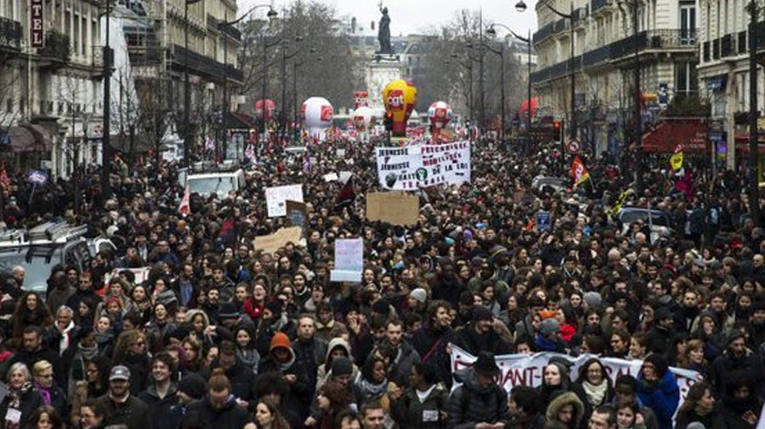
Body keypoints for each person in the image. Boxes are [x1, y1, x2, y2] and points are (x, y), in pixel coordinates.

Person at [447, 351, 508, 429]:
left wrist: (502, 423)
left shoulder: (500, 392)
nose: (489, 381)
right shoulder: (460, 394)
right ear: (477, 374)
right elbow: (452, 426)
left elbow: (505, 417)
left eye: (491, 376)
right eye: (486, 377)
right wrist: (475, 427)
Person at [390, 362, 448, 429]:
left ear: (421, 376)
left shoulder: (441, 395)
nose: (409, 377)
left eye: (412, 375)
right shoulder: (408, 395)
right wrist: (394, 402)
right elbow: (399, 418)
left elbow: (450, 419)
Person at [96, 365, 152, 429]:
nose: (118, 384)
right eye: (115, 381)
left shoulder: (140, 407)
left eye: (122, 381)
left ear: (129, 382)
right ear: (109, 382)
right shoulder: (99, 404)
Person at [635, 355, 678, 429]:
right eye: (645, 367)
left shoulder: (671, 387)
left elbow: (667, 414)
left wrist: (655, 390)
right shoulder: (639, 385)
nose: (646, 370)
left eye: (650, 367)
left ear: (659, 369)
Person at [0, 362, 43, 429]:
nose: (16, 378)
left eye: (20, 375)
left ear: (26, 377)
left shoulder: (35, 395)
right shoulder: (3, 394)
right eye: (13, 376)